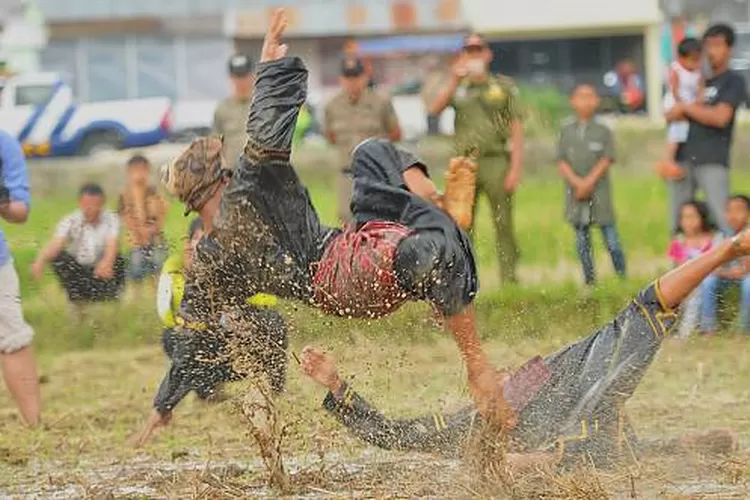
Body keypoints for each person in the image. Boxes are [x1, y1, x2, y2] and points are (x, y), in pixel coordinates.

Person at [157, 10, 509, 433]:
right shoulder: (246, 185)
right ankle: (476, 362)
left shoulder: (210, 259)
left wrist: (163, 404)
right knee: (422, 237)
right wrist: (269, 66)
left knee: (369, 156)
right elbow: (266, 132)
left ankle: (435, 215)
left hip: (343, 271)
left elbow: (191, 330)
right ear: (221, 177)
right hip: (341, 273)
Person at [300, 227, 750, 466]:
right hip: (584, 438)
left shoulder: (558, 372)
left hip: (585, 405)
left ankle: (730, 248)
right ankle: (671, 449)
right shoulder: (470, 428)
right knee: (572, 451)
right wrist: (336, 385)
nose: (502, 381)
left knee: (639, 318)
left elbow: (646, 307)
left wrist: (727, 250)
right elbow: (392, 434)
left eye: (502, 378)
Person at [131, 217, 289, 446]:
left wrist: (239, 319)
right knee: (184, 339)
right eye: (201, 242)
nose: (210, 250)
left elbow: (268, 306)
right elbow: (183, 337)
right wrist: (163, 405)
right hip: (205, 352)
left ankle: (272, 392)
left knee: (274, 323)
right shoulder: (183, 274)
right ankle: (204, 391)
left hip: (240, 353)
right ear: (190, 246)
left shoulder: (240, 268)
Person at [428, 33, 524, 284]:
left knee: (503, 223)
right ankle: (466, 280)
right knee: (462, 223)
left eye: (477, 50)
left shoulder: (502, 87)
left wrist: (515, 168)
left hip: (496, 161)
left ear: (487, 54)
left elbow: (516, 127)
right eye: (469, 51)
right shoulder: (458, 87)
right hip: (464, 164)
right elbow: (434, 109)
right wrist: (454, 79)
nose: (474, 55)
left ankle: (509, 278)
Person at [666, 23, 748, 235]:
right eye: (708, 46)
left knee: (723, 218)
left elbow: (720, 117)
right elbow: (671, 113)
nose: (711, 51)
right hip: (683, 158)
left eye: (717, 45)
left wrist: (686, 107)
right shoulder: (696, 79)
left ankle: (736, 266)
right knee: (680, 219)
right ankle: (681, 265)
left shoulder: (732, 81)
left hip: (712, 158)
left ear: (729, 49)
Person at [557, 83, 626, 286]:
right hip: (575, 194)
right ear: (572, 101)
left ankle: (622, 278)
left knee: (611, 240)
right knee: (582, 242)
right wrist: (577, 183)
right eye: (581, 96)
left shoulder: (603, 130)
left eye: (590, 96)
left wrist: (588, 182)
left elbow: (606, 159)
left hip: (599, 193)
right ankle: (590, 282)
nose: (585, 101)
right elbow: (561, 160)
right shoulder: (566, 130)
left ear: (597, 101)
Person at [324, 56, 402, 223]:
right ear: (341, 79)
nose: (352, 82)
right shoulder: (332, 106)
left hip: (376, 177)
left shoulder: (381, 102)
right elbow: (331, 137)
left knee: (378, 222)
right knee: (347, 225)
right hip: (347, 177)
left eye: (356, 77)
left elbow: (396, 133)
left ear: (365, 78)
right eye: (347, 78)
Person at [0, 130, 40, 426]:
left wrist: (1, 200)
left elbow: (20, 211)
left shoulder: (5, 144)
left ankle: (35, 426)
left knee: (13, 337)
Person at [31, 183, 125, 305]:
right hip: (80, 269)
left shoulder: (112, 219)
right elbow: (57, 243)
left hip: (102, 268)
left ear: (102, 203)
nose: (91, 208)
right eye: (87, 204)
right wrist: (40, 262)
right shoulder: (70, 220)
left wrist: (107, 262)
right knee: (59, 257)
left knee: (117, 258)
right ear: (80, 202)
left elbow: (112, 242)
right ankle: (76, 297)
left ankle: (111, 296)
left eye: (95, 204)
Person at [668, 200, 723, 338]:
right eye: (684, 217)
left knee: (696, 293)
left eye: (692, 217)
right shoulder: (679, 241)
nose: (688, 222)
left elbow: (717, 265)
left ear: (702, 217)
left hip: (712, 278)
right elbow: (677, 268)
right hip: (687, 280)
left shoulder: (715, 239)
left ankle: (688, 332)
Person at [700, 194, 750, 335]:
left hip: (746, 276)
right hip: (726, 275)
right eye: (729, 210)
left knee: (749, 285)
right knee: (709, 282)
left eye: (739, 210)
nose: (733, 215)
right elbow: (713, 263)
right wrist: (729, 272)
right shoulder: (721, 236)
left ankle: (744, 329)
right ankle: (708, 327)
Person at [656, 38, 703, 181]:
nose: (694, 64)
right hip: (676, 103)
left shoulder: (699, 72)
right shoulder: (677, 70)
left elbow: (701, 90)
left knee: (683, 132)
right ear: (681, 58)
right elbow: (675, 90)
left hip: (690, 104)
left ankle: (675, 163)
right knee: (676, 132)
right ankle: (668, 161)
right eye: (692, 60)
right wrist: (683, 106)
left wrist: (696, 103)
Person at [118, 154, 167, 282]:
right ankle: (135, 282)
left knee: (158, 259)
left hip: (154, 239)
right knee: (136, 263)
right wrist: (138, 230)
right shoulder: (125, 194)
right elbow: (125, 217)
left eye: (143, 170)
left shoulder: (154, 192)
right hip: (136, 241)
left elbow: (160, 215)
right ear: (129, 173)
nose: (139, 175)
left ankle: (156, 280)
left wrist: (152, 229)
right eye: (135, 171)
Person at [213, 54, 255, 169]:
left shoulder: (262, 106)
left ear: (252, 76)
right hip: (232, 178)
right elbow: (216, 145)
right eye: (237, 76)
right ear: (231, 77)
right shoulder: (222, 109)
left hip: (259, 177)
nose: (241, 81)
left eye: (244, 75)